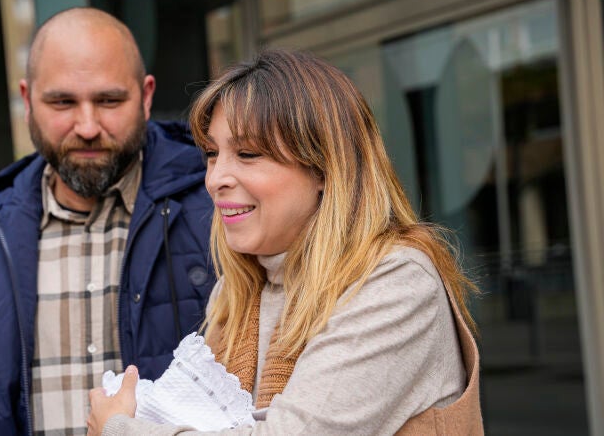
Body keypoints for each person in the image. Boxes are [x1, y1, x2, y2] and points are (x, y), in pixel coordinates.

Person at [87, 49, 483, 435]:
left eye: (247, 153)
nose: (215, 178)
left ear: (325, 167)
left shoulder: (394, 280)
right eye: (212, 153)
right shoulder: (237, 291)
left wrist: (119, 429)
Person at [0, 8, 216, 436]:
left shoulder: (217, 214)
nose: (87, 126)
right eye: (62, 102)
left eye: (109, 101)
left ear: (146, 96)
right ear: (27, 100)